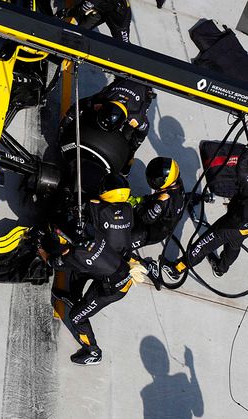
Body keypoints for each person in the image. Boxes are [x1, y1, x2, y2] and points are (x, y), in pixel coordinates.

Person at [39, 219, 144, 366]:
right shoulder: (91, 230)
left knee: (76, 317)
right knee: (79, 273)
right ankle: (73, 299)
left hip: (112, 290)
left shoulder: (76, 255)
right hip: (115, 270)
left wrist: (40, 248)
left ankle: (93, 352)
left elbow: (51, 262)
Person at [164, 146, 248, 280]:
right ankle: (221, 269)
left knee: (202, 245)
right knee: (233, 246)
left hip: (229, 226)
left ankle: (177, 269)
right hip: (243, 230)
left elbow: (242, 171)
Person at [130, 157, 185, 285]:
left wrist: (135, 205)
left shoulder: (163, 201)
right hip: (164, 221)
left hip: (150, 232)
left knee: (119, 247)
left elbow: (146, 218)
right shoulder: (177, 182)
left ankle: (148, 266)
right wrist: (143, 200)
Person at [82, 76, 155, 166]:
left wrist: (133, 149)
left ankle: (126, 169)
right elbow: (81, 104)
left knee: (127, 140)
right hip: (124, 82)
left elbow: (143, 132)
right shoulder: (102, 99)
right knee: (89, 113)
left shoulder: (136, 119)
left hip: (144, 87)